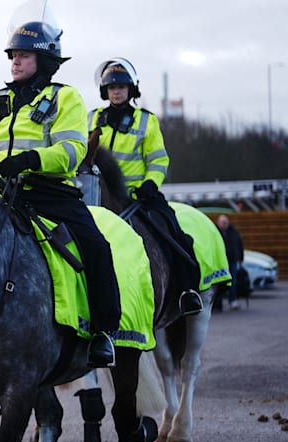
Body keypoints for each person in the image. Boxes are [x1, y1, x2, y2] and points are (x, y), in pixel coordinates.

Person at [0, 20, 119, 367]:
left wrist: (31, 159)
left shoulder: (65, 98)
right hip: (1, 198)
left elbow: (72, 151)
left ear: (44, 60)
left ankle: (103, 333)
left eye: (23, 55)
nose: (15, 62)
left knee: (97, 246)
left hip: (51, 196)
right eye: (13, 56)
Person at [88, 58, 203, 316]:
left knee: (174, 231)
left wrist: (150, 184)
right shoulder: (92, 119)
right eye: (111, 87)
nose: (116, 91)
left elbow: (159, 159)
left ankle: (188, 291)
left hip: (140, 196)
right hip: (99, 195)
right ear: (104, 92)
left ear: (131, 90)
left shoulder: (146, 121)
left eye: (121, 86)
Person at [217, 214, 245, 310]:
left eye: (226, 222)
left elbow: (239, 244)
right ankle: (218, 303)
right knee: (219, 282)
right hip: (220, 262)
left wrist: (241, 257)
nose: (225, 224)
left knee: (233, 282)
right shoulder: (216, 232)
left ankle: (233, 301)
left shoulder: (234, 231)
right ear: (218, 223)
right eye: (223, 222)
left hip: (232, 260)